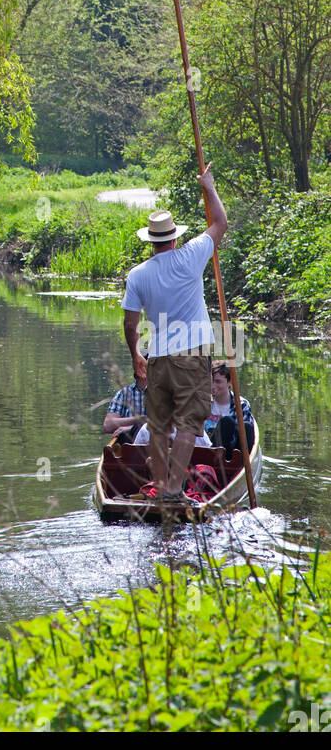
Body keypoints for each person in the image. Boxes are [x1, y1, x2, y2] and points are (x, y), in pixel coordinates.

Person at [121, 164, 227, 506]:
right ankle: (171, 491)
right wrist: (208, 186)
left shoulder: (137, 275)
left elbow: (130, 324)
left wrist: (136, 354)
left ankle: (163, 485)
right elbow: (220, 224)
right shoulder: (191, 255)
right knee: (188, 423)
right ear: (175, 238)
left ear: (152, 242)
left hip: (158, 358)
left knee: (158, 423)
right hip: (191, 355)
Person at [206, 362, 254, 459]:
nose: (212, 386)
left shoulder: (241, 405)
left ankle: (241, 467)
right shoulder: (203, 401)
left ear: (229, 382)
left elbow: (242, 438)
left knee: (246, 427)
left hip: (231, 453)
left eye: (218, 382)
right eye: (210, 381)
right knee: (226, 422)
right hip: (209, 450)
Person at [103, 374, 146, 442]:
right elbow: (108, 425)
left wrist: (132, 428)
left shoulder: (165, 394)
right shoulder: (123, 393)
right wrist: (139, 419)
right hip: (129, 446)